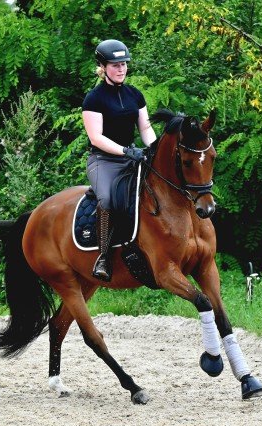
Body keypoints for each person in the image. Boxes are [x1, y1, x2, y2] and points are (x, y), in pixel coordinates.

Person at [82, 39, 157, 282]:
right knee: (108, 198)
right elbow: (97, 137)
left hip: (132, 158)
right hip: (103, 161)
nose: (121, 69)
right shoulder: (94, 99)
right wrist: (126, 151)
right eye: (115, 65)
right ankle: (103, 257)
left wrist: (153, 149)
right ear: (103, 67)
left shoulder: (135, 94)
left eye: (124, 64)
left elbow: (145, 129)